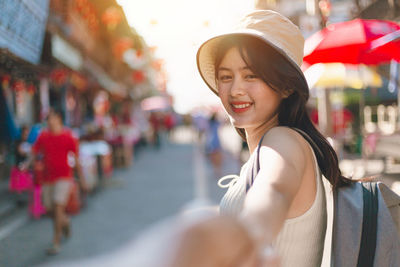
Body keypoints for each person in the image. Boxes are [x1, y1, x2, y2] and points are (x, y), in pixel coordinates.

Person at [193, 9, 357, 266]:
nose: (235, 89)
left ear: (285, 85)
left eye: (251, 75)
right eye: (226, 77)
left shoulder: (284, 141)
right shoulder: (274, 146)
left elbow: (274, 191)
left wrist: (249, 233)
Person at [33, 108, 87, 255]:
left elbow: (76, 160)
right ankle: (65, 222)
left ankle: (56, 242)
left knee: (57, 206)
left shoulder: (69, 137)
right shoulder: (43, 137)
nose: (49, 121)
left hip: (64, 177)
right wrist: (28, 164)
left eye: (51, 117)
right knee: (50, 210)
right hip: (47, 178)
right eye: (47, 118)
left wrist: (82, 180)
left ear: (58, 118)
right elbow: (35, 153)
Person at [205, 113, 223, 178]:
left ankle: (216, 170)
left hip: (211, 140)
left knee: (214, 156)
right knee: (218, 156)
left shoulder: (210, 123)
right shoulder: (216, 123)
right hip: (216, 140)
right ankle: (217, 170)